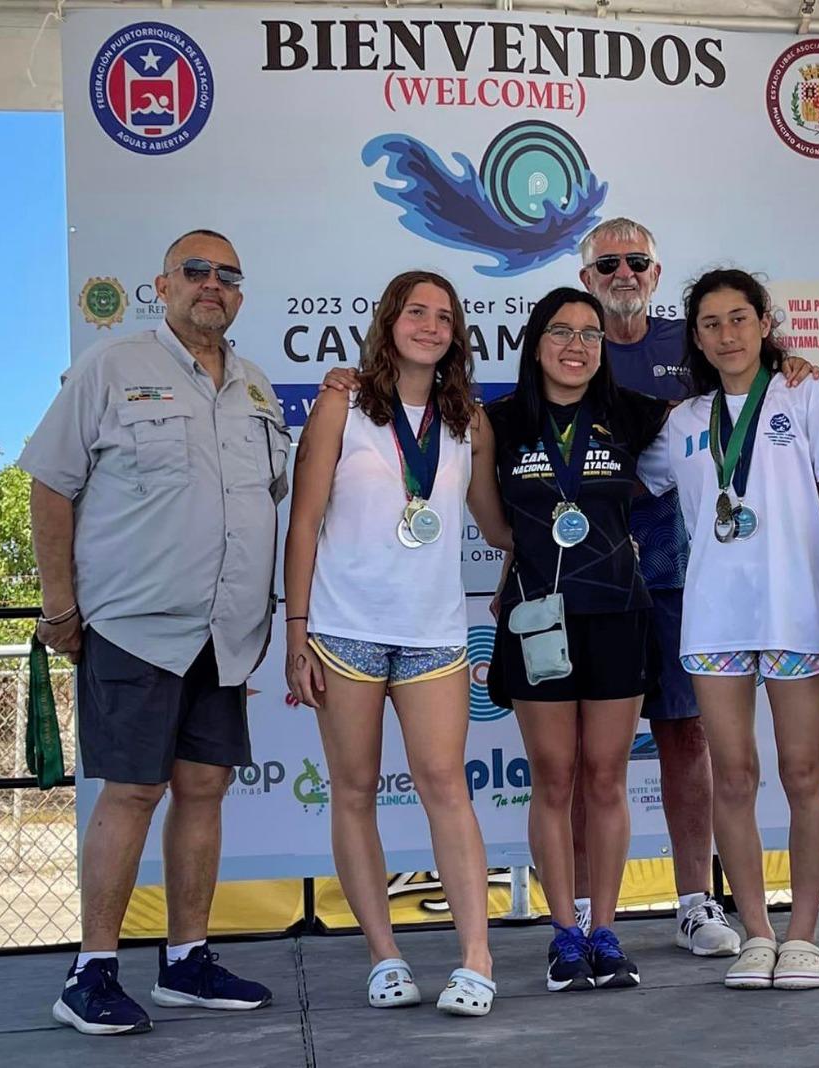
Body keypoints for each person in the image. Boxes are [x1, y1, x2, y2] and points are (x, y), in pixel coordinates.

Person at [21, 230, 284, 1035]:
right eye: (196, 272)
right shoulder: (112, 368)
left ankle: (186, 960)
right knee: (133, 792)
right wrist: (61, 606)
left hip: (225, 633)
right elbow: (50, 484)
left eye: (228, 276)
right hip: (136, 624)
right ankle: (90, 971)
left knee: (204, 789)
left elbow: (269, 498)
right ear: (161, 285)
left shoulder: (257, 387)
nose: (213, 285)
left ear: (239, 295)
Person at [282, 271, 511, 1016]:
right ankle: (385, 957)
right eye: (417, 311)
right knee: (352, 792)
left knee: (448, 789)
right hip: (345, 631)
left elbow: (495, 523)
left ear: (456, 335)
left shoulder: (468, 421)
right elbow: (306, 521)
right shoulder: (339, 405)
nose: (430, 325)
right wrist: (296, 629)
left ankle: (475, 958)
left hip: (435, 633)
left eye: (444, 316)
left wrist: (573, 533)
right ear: (389, 321)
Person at [637, 269, 819, 991]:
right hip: (713, 620)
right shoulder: (682, 422)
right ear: (696, 338)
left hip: (797, 613)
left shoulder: (809, 395)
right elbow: (622, 476)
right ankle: (757, 935)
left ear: (765, 322)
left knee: (804, 773)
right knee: (732, 778)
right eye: (710, 323)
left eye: (739, 318)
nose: (727, 334)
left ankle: (803, 933)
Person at [485, 287, 670, 992]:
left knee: (606, 777)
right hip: (537, 617)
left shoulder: (630, 413)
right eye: (561, 332)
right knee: (555, 777)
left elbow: (727, 398)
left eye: (591, 334)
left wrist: (794, 364)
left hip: (618, 612)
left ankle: (605, 930)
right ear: (536, 342)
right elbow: (492, 521)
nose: (577, 346)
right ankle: (564, 935)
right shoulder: (497, 421)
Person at [572, 218, 737, 956]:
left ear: (656, 272)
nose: (623, 271)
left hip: (681, 569)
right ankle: (581, 909)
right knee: (587, 750)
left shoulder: (690, 340)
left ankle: (696, 902)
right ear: (587, 278)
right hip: (588, 570)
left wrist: (796, 368)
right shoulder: (569, 341)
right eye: (607, 262)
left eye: (636, 260)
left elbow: (758, 384)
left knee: (684, 734)